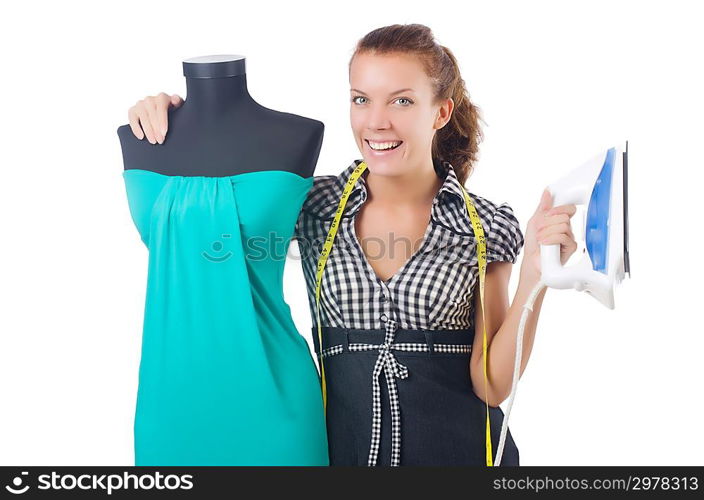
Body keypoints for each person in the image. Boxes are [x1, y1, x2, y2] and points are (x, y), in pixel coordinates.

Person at [124, 23, 577, 466]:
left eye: (402, 101)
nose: (377, 122)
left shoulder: (483, 226)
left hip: (459, 455)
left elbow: (492, 383)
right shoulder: (312, 206)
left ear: (440, 112)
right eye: (362, 99)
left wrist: (535, 278)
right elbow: (213, 224)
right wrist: (178, 122)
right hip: (344, 457)